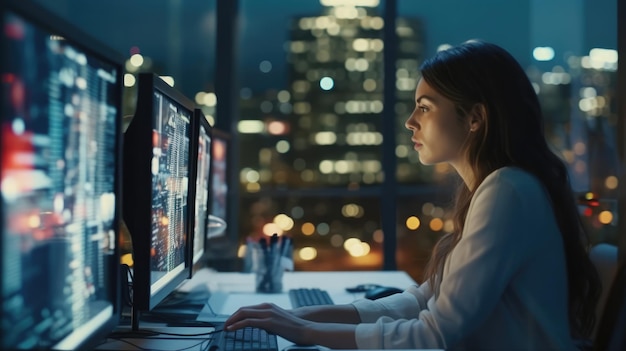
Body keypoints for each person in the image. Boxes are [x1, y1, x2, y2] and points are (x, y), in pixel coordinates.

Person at [223, 40, 602, 350]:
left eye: (424, 107)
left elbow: (433, 334)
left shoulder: (508, 191)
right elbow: (423, 300)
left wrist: (305, 333)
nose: (410, 122)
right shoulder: (498, 187)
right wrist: (301, 317)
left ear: (475, 118)